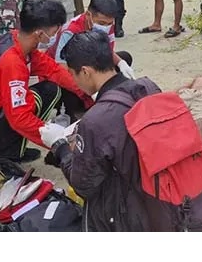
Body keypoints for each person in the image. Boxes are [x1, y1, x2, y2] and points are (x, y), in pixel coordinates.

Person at [41, 30, 162, 231]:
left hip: (131, 208)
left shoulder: (95, 120)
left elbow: (83, 185)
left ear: (86, 72)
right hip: (160, 187)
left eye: (73, 74)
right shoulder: (149, 87)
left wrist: (60, 147)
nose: (74, 80)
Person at [0, 0, 93, 165]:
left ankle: (12, 148)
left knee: (49, 90)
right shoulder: (12, 62)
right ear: (39, 34)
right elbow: (19, 118)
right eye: (55, 31)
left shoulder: (17, 41)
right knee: (30, 104)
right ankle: (1, 156)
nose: (56, 34)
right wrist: (57, 142)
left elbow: (53, 70)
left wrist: (89, 91)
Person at [46, 0, 134, 79]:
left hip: (90, 63)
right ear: (88, 15)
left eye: (109, 23)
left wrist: (120, 63)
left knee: (124, 58)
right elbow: (62, 66)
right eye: (101, 23)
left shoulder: (108, 25)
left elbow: (107, 51)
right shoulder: (70, 31)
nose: (105, 27)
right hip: (67, 70)